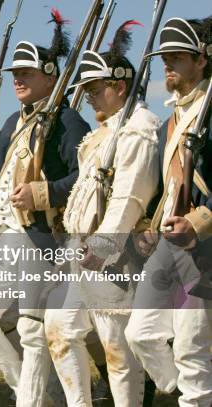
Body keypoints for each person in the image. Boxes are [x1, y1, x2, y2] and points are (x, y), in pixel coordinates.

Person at [0, 10, 90, 406]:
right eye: (15, 74)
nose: (17, 79)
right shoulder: (13, 121)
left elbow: (84, 179)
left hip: (38, 238)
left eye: (27, 74)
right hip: (2, 235)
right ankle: (28, 392)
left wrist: (46, 192)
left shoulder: (68, 121)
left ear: (50, 77)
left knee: (34, 331)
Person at [44, 21, 161, 407]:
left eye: (96, 89)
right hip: (84, 250)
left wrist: (103, 247)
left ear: (120, 87)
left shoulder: (138, 129)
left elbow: (129, 199)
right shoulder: (103, 133)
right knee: (59, 328)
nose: (90, 98)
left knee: (117, 347)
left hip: (114, 253)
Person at [125, 16, 212, 407]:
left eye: (177, 58)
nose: (167, 66)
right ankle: (188, 393)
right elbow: (167, 186)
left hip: (205, 244)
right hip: (168, 239)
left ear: (202, 60)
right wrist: (150, 224)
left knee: (192, 347)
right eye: (165, 58)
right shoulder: (171, 122)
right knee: (139, 334)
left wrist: (198, 221)